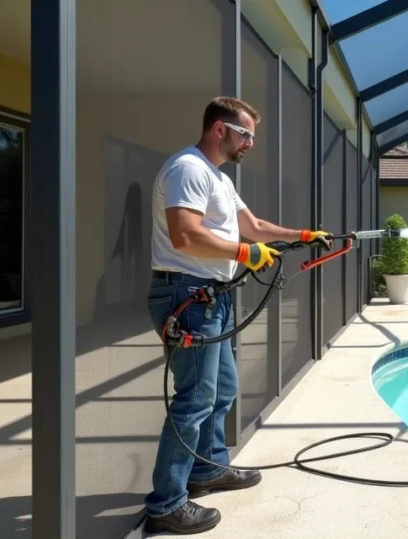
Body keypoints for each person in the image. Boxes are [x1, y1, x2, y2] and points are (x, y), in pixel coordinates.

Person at [144, 96, 331, 535]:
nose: (250, 143)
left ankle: (207, 469)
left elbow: (255, 227)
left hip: (214, 296)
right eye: (246, 133)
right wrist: (247, 253)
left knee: (222, 389)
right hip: (187, 295)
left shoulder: (219, 180)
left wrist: (302, 235)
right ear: (220, 129)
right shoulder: (187, 169)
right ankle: (167, 502)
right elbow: (185, 235)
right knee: (194, 400)